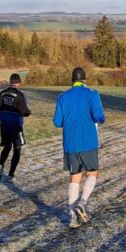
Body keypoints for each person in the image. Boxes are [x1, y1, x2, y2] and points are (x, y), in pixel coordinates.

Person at [52, 67, 105, 229]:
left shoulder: (62, 97)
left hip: (70, 144)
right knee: (92, 173)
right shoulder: (92, 94)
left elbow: (57, 122)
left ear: (72, 80)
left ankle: (72, 218)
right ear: (84, 79)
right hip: (88, 142)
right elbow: (99, 117)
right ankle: (82, 203)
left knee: (74, 177)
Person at [0, 73, 31, 180]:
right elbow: (24, 111)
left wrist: (4, 112)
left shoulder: (1, 93)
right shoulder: (20, 95)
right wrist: (28, 112)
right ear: (19, 82)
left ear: (10, 82)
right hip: (16, 125)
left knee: (7, 147)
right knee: (17, 148)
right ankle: (11, 173)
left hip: (4, 124)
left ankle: (0, 165)